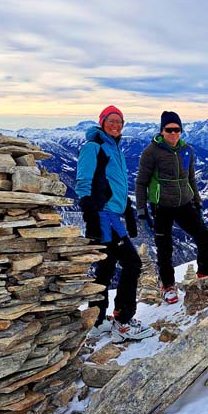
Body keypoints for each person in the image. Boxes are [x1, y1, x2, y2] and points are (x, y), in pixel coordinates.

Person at [76, 105, 152, 342]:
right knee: (133, 263)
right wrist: (91, 212)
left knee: (106, 268)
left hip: (112, 214)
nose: (116, 125)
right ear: (102, 122)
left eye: (120, 121)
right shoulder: (94, 147)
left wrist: (127, 209)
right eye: (111, 121)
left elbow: (114, 184)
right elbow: (83, 182)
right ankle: (123, 321)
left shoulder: (114, 146)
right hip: (103, 217)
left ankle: (97, 321)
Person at [135, 111, 208, 304]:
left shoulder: (186, 150)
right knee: (165, 247)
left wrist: (197, 199)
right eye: (169, 129)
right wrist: (142, 211)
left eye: (177, 129)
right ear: (162, 130)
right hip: (161, 206)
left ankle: (206, 274)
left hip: (185, 203)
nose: (173, 133)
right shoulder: (151, 152)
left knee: (204, 235)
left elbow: (191, 177)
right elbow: (141, 182)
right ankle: (168, 286)